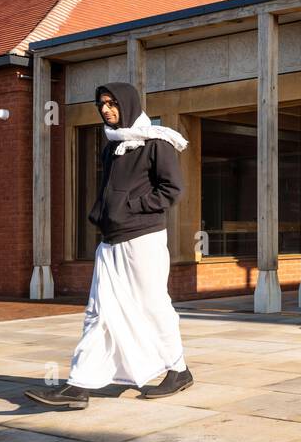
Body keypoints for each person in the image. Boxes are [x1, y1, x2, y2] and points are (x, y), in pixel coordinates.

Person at [25, 82, 194, 409]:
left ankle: (178, 370)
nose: (105, 109)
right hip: (111, 240)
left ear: (127, 104)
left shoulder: (157, 143)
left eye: (112, 103)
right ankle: (78, 386)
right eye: (101, 103)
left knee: (153, 304)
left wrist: (129, 207)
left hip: (143, 238)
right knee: (99, 311)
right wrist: (103, 215)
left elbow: (172, 190)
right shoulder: (111, 145)